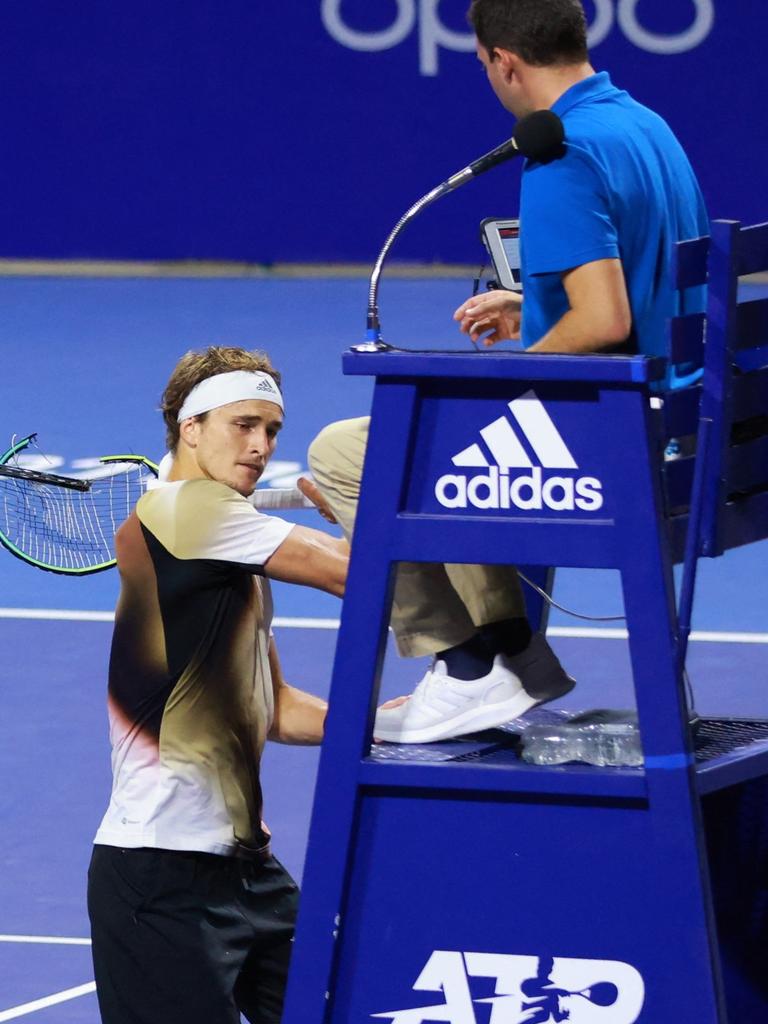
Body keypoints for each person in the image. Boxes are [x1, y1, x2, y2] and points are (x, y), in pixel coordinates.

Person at [308, 0, 708, 745]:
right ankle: (510, 657)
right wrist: (531, 305)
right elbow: (641, 294)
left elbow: (604, 323)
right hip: (683, 431)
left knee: (348, 451)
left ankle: (469, 667)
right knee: (460, 426)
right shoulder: (647, 126)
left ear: (504, 62)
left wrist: (509, 370)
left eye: (483, 63)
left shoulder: (560, 152)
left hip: (616, 448)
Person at [87, 346, 348, 1024]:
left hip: (248, 871)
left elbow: (279, 709)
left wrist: (391, 725)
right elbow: (353, 574)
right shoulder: (186, 512)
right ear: (190, 427)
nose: (261, 446)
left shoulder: (227, 543)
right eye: (244, 425)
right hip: (159, 877)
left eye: (272, 431)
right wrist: (362, 505)